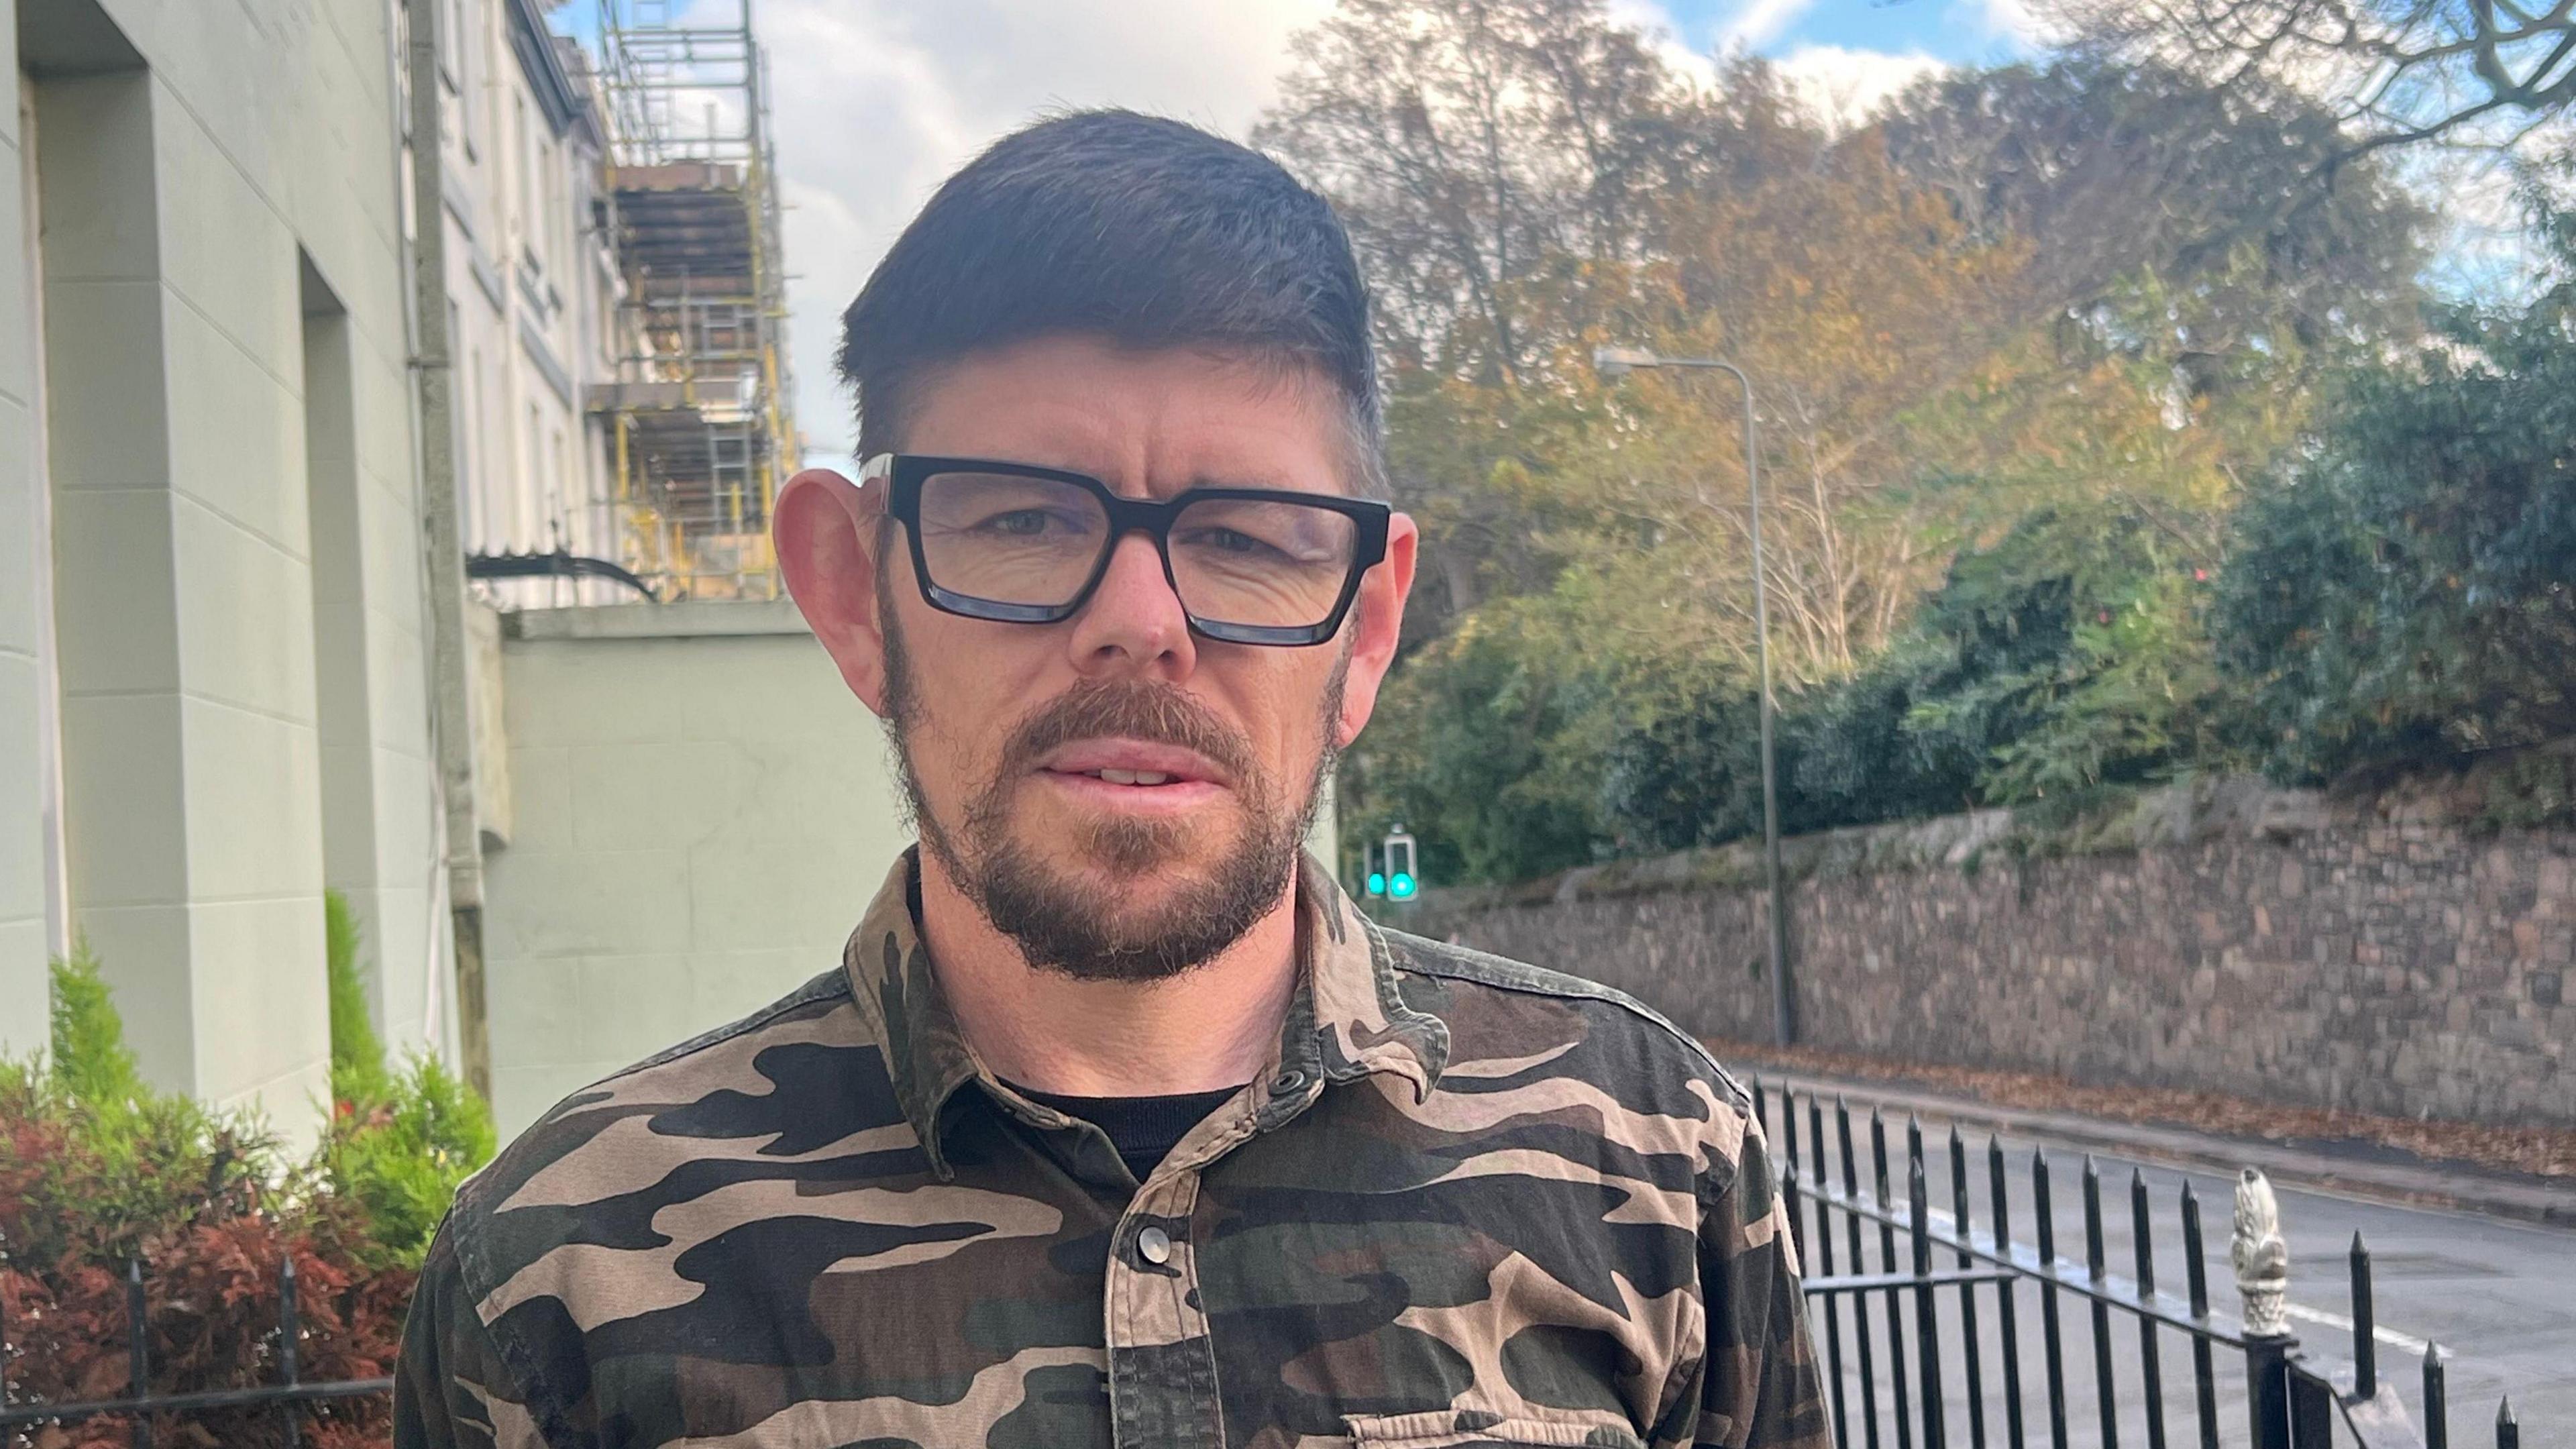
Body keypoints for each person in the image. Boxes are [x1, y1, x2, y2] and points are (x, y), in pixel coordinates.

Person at [393, 109, 1827, 1449]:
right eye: (1023, 519)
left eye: (1249, 538)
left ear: (1368, 624)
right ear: (851, 590)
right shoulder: (551, 1283)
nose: (1141, 621)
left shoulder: (1659, 1161)